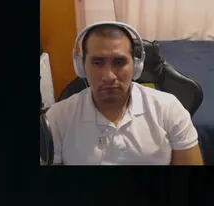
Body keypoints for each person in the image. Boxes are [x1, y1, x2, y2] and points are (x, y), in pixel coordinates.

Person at [46, 21, 203, 166]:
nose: (109, 76)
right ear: (81, 67)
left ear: (136, 66)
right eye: (97, 62)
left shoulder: (169, 109)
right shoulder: (58, 118)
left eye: (119, 62)